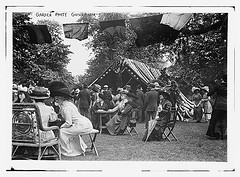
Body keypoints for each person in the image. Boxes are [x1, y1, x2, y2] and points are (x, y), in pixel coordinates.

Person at [49, 81, 94, 156]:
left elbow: (68, 123)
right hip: (85, 123)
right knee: (70, 132)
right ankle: (78, 148)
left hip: (81, 125)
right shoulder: (69, 104)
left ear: (61, 99)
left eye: (57, 99)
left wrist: (60, 127)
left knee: (61, 132)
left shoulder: (66, 107)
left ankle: (66, 151)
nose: (56, 101)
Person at [206, 74, 227, 140]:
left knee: (216, 120)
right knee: (224, 120)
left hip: (218, 105)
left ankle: (217, 134)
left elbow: (210, 93)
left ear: (222, 79)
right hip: (227, 105)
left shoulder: (219, 85)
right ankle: (223, 134)